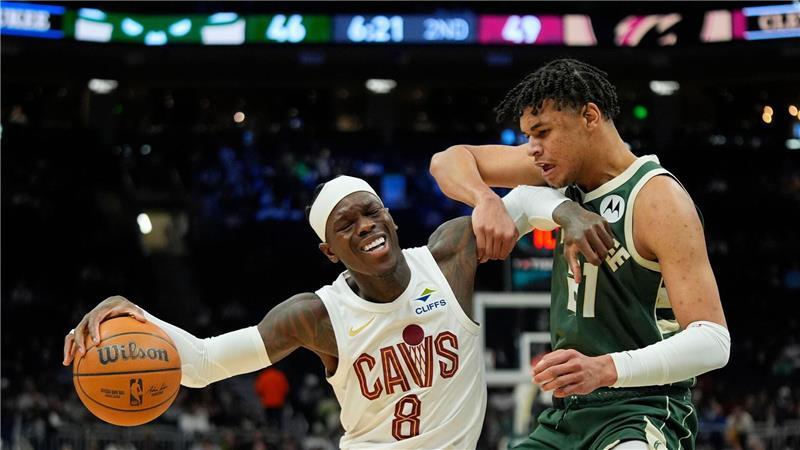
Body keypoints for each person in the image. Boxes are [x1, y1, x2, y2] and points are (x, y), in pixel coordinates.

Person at [63, 175, 608, 449]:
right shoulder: (315, 315)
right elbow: (204, 363)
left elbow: (520, 201)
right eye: (345, 226)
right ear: (329, 252)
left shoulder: (450, 256)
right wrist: (136, 314)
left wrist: (568, 213)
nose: (364, 226)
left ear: (390, 217)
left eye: (370, 213)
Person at [429, 59, 731, 450]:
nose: (532, 151)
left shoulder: (658, 199)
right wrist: (485, 198)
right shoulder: (555, 175)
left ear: (589, 115)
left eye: (542, 133)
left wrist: (604, 369)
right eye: (527, 137)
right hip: (565, 417)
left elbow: (713, 341)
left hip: (642, 410)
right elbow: (446, 161)